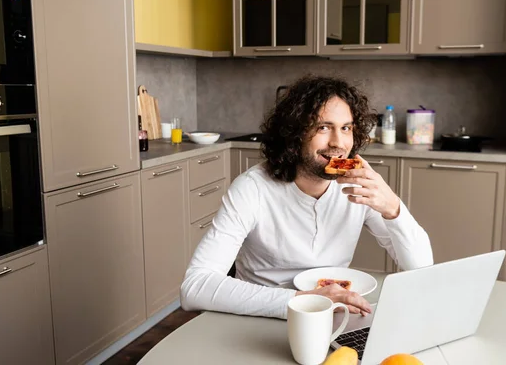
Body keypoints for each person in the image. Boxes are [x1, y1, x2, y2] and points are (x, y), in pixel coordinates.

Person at [180, 75, 433, 319]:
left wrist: (393, 208)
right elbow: (194, 287)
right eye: (323, 127)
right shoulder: (252, 189)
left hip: (333, 315)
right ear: (294, 133)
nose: (338, 142)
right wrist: (306, 301)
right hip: (259, 315)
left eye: (346, 128)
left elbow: (422, 269)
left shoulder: (360, 184)